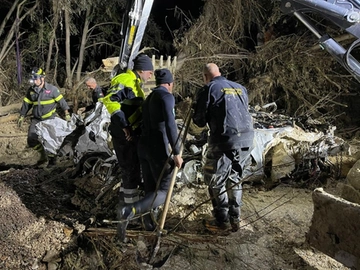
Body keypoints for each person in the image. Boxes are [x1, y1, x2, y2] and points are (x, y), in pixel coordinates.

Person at [117, 68, 183, 241]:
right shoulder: (166, 97)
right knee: (164, 190)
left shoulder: (149, 99)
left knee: (150, 188)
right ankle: (130, 210)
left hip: (143, 147)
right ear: (169, 84)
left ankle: (148, 223)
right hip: (157, 148)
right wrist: (176, 152)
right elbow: (170, 124)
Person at [192, 63, 254, 232]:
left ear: (205, 77)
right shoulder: (240, 88)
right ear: (219, 73)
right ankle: (235, 219)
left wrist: (193, 110)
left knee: (216, 179)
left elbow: (199, 120)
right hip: (247, 139)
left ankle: (222, 221)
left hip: (224, 138)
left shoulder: (209, 88)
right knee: (235, 178)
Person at [102, 53, 154, 206]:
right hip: (123, 134)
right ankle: (129, 210)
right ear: (141, 70)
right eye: (149, 71)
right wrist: (124, 125)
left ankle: (130, 204)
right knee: (130, 170)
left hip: (132, 133)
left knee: (133, 170)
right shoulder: (125, 80)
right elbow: (111, 101)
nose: (151, 75)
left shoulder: (135, 83)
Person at [17, 67, 71, 167]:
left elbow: (62, 102)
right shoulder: (31, 91)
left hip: (49, 119)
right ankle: (42, 156)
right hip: (36, 120)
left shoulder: (52, 90)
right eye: (33, 78)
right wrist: (22, 115)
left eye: (36, 78)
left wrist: (67, 114)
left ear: (43, 78)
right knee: (31, 139)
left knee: (50, 141)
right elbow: (26, 104)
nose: (35, 80)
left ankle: (52, 161)